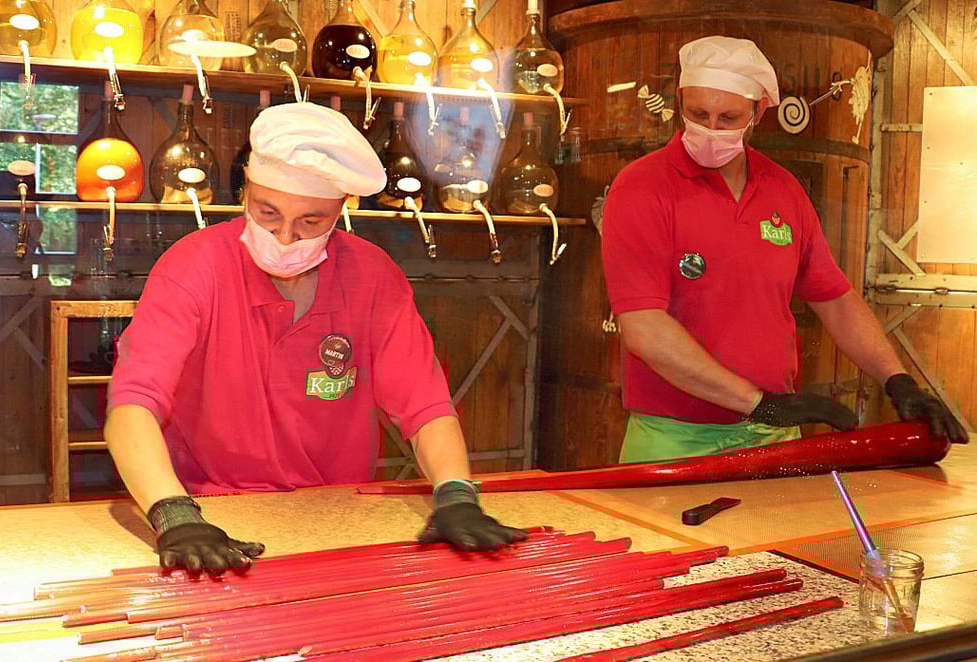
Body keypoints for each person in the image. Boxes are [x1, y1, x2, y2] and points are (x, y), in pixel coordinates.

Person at [105, 102, 527, 574]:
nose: (285, 237)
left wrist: (455, 493)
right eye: (267, 212)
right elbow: (134, 405)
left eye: (311, 222)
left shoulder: (372, 277)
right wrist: (173, 514)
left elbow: (423, 405)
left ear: (343, 209)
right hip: (212, 515)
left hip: (338, 510)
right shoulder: (193, 268)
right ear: (245, 185)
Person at [601, 35, 968, 464]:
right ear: (680, 100)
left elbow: (835, 299)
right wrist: (759, 402)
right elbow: (644, 328)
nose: (710, 129)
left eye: (728, 117)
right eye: (697, 114)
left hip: (775, 435)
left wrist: (898, 380)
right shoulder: (642, 187)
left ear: (758, 112)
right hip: (674, 437)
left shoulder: (783, 191)